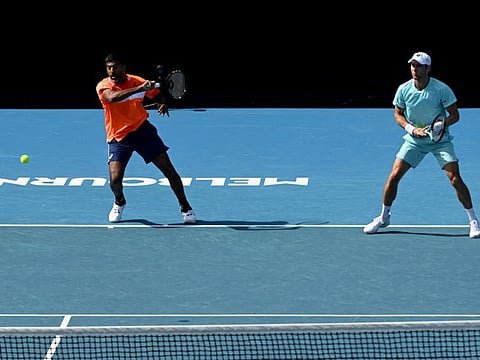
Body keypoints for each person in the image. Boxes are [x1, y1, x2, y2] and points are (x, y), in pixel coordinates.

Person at [363, 51, 480, 238]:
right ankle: (384, 217)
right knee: (393, 177)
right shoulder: (403, 89)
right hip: (414, 140)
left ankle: (473, 221)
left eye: (419, 66)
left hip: (440, 141)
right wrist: (411, 129)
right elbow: (398, 114)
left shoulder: (441, 90)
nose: (414, 69)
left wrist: (440, 126)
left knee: (455, 179)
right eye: (412, 65)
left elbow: (455, 115)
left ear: (428, 68)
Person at [95, 52, 196, 224]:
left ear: (123, 67)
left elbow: (157, 94)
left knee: (169, 171)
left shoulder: (137, 80)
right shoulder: (104, 86)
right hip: (119, 137)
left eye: (115, 67)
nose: (112, 71)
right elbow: (112, 98)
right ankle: (119, 201)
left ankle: (185, 206)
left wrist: (161, 101)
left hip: (143, 132)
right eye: (109, 68)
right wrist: (142, 88)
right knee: (114, 180)